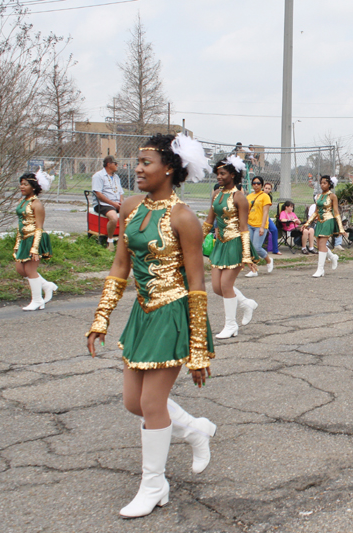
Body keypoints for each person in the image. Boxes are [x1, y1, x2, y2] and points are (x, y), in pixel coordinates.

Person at [85, 133, 216, 518]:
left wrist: (197, 348)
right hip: (143, 314)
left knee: (151, 403)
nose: (137, 169)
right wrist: (102, 317)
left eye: (146, 163)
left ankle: (154, 484)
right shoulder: (129, 207)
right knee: (133, 403)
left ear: (170, 170)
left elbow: (196, 283)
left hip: (173, 313)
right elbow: (120, 266)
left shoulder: (184, 217)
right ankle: (194, 429)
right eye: (137, 162)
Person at [203, 155, 258, 339]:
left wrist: (247, 255)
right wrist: (195, 241)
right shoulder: (217, 194)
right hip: (220, 244)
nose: (218, 177)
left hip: (235, 243)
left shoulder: (239, 197)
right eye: (217, 173)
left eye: (222, 173)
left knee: (226, 285)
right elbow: (209, 222)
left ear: (233, 175)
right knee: (217, 288)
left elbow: (244, 228)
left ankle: (231, 325)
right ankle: (246, 303)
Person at [14, 170, 56, 310]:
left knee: (30, 270)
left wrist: (34, 248)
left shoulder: (36, 204)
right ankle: (46, 286)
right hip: (24, 238)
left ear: (33, 187)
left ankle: (37, 300)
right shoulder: (22, 201)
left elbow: (39, 227)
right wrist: (17, 243)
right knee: (20, 269)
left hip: (35, 238)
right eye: (21, 184)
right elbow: (21, 223)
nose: (22, 187)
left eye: (25, 184)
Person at [302, 176, 345, 277]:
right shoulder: (318, 196)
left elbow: (336, 212)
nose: (322, 185)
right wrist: (306, 224)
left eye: (324, 183)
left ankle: (320, 269)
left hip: (328, 221)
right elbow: (316, 212)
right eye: (321, 183)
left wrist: (341, 228)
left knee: (321, 244)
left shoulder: (332, 196)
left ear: (329, 184)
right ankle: (333, 257)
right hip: (320, 221)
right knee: (320, 244)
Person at [92, 155, 124, 250]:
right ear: (109, 164)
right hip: (103, 204)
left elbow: (120, 192)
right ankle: (109, 241)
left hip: (116, 204)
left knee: (133, 214)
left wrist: (121, 202)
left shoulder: (116, 177)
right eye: (115, 163)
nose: (117, 165)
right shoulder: (98, 176)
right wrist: (114, 204)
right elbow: (98, 194)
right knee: (113, 217)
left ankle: (123, 239)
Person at [246, 176, 274, 276]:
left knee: (257, 247)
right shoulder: (249, 196)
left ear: (261, 185)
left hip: (260, 225)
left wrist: (262, 227)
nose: (256, 185)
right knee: (250, 248)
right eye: (254, 183)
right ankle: (254, 270)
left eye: (258, 183)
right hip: (249, 224)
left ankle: (269, 260)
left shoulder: (265, 196)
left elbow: (265, 212)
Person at [262, 182, 281, 255]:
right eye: (266, 188)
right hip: (257, 217)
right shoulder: (259, 195)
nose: (267, 190)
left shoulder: (269, 197)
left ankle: (275, 250)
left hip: (266, 216)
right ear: (263, 188)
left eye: (269, 189)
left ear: (271, 190)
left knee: (274, 229)